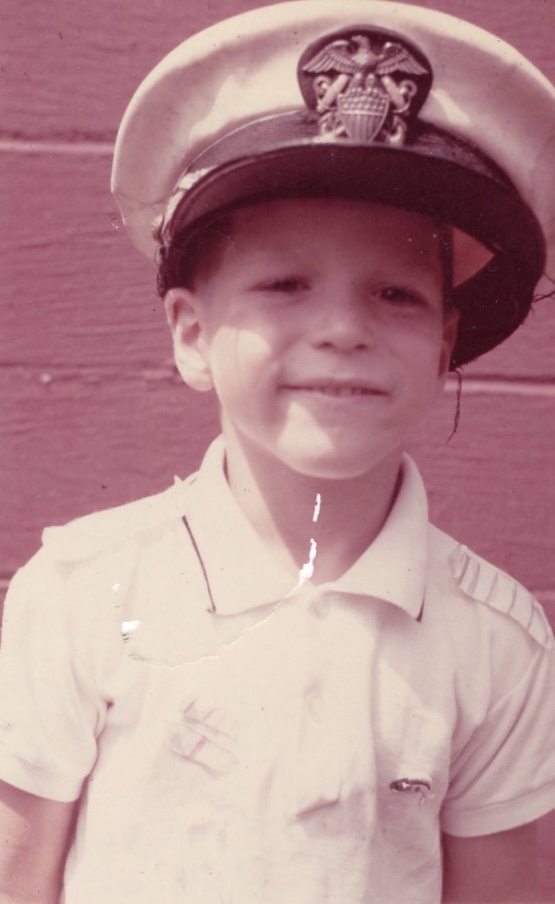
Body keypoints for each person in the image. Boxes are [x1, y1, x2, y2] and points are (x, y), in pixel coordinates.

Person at [0, 1, 554, 902]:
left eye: (395, 293)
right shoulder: (82, 593)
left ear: (446, 342)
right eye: (284, 284)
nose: (341, 329)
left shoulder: (494, 644)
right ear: (190, 335)